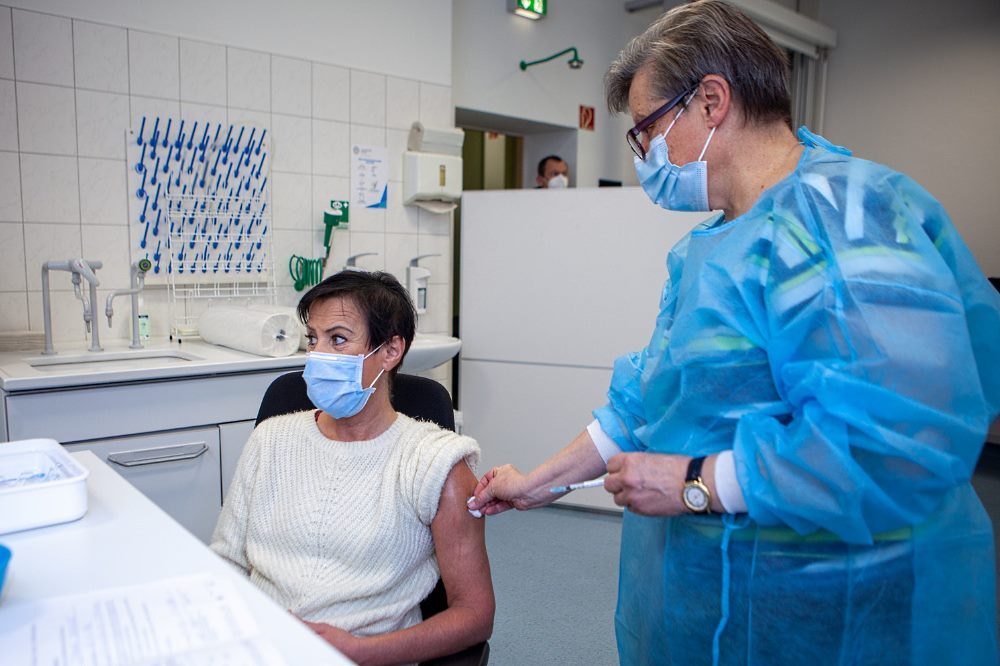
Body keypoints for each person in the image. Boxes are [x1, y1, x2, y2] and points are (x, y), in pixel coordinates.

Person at [468, 1, 1000, 664]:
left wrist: (697, 481)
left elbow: (897, 442)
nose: (645, 158)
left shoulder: (842, 221)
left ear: (712, 100)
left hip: (837, 612)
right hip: (711, 604)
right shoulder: (712, 247)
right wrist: (537, 483)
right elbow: (649, 401)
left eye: (647, 133)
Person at [212, 271, 494, 665]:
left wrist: (363, 652)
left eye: (338, 339)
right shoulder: (270, 440)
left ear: (391, 350)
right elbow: (226, 562)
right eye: (313, 338)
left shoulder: (435, 463)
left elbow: (474, 616)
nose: (318, 355)